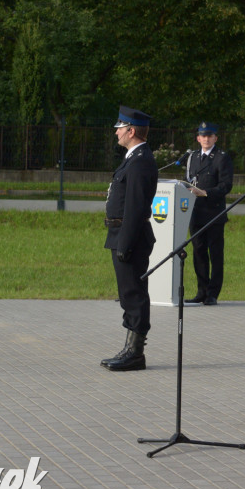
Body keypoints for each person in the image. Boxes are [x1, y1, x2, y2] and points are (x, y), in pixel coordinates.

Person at [101, 106, 159, 372]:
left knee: (134, 294)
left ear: (131, 131)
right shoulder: (133, 158)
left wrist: (125, 242)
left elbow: (135, 206)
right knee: (127, 293)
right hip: (120, 234)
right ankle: (129, 348)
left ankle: (135, 353)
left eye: (120, 128)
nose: (116, 132)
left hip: (129, 236)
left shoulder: (141, 160)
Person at [184, 121, 234, 306]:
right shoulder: (192, 157)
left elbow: (226, 185)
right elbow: (187, 181)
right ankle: (201, 291)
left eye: (209, 135)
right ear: (198, 138)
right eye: (203, 135)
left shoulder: (222, 158)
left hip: (213, 213)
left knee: (215, 254)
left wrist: (205, 192)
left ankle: (213, 293)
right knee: (198, 253)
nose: (206, 139)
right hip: (195, 213)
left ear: (215, 138)